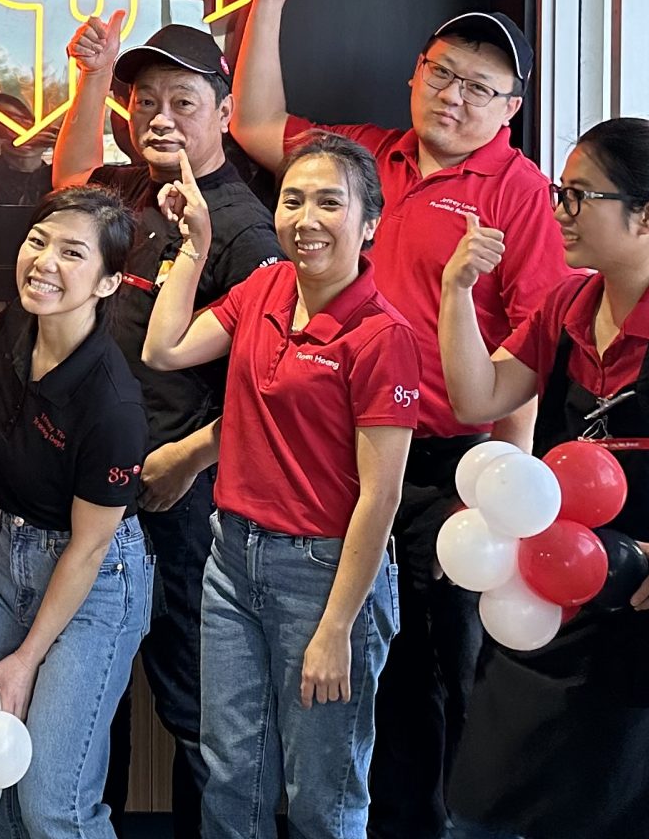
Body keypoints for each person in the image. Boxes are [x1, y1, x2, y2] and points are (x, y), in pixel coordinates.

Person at [230, 0, 571, 839]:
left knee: (443, 673)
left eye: (480, 88)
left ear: (510, 109)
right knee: (357, 672)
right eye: (443, 74)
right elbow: (254, 123)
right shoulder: (362, 159)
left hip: (445, 474)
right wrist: (269, 2)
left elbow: (534, 350)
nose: (454, 98)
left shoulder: (520, 191)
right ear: (414, 75)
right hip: (331, 459)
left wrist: (501, 489)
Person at [141, 132, 419, 839]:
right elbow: (163, 348)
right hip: (232, 559)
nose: (306, 219)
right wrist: (196, 246)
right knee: (231, 776)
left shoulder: (382, 336)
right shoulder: (265, 287)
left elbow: (380, 497)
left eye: (330, 203)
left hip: (325, 575)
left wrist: (337, 627)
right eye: (293, 200)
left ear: (369, 223)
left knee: (322, 795)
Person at [437, 117, 649, 839]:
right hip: (544, 606)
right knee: (481, 810)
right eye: (562, 192)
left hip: (643, 626)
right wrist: (456, 291)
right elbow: (477, 397)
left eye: (580, 196)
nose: (560, 211)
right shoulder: (569, 305)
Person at [50, 13, 281, 837]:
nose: (160, 117)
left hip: (182, 503)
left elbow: (273, 380)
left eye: (183, 101)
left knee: (195, 698)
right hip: (97, 488)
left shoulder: (245, 228)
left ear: (224, 112)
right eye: (145, 100)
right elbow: (70, 179)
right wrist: (95, 76)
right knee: (89, 689)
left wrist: (189, 455)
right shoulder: (126, 190)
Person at [0, 187, 155, 839]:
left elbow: (89, 548)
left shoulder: (112, 403)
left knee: (50, 804)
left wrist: (26, 659)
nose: (45, 262)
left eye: (72, 252)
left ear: (108, 281)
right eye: (39, 241)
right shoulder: (18, 324)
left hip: (95, 578)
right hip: (6, 553)